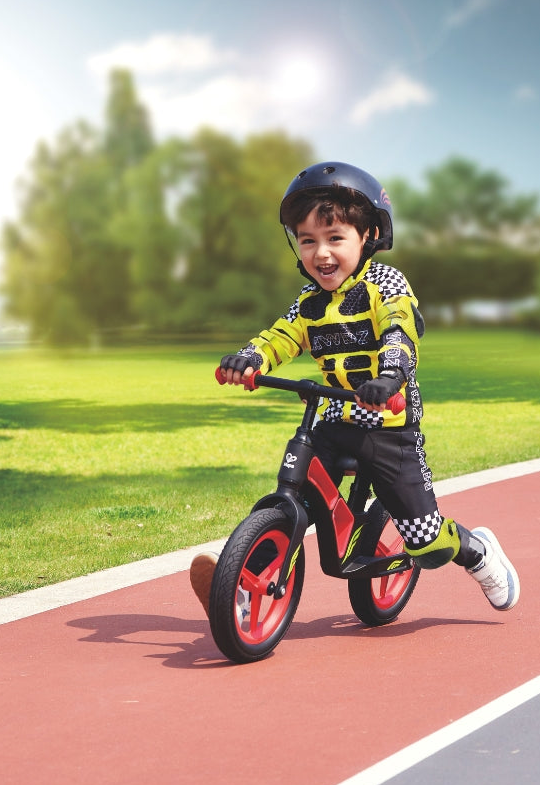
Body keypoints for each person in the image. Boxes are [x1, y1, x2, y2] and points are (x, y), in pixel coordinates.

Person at [190, 161, 520, 617]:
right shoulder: (309, 302)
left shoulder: (384, 284)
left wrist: (389, 377)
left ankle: (477, 551)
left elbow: (399, 331)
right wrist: (249, 359)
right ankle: (241, 586)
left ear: (367, 237)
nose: (321, 253)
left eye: (334, 238)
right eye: (308, 241)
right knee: (296, 489)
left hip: (389, 424)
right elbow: (282, 335)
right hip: (336, 419)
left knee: (425, 541)